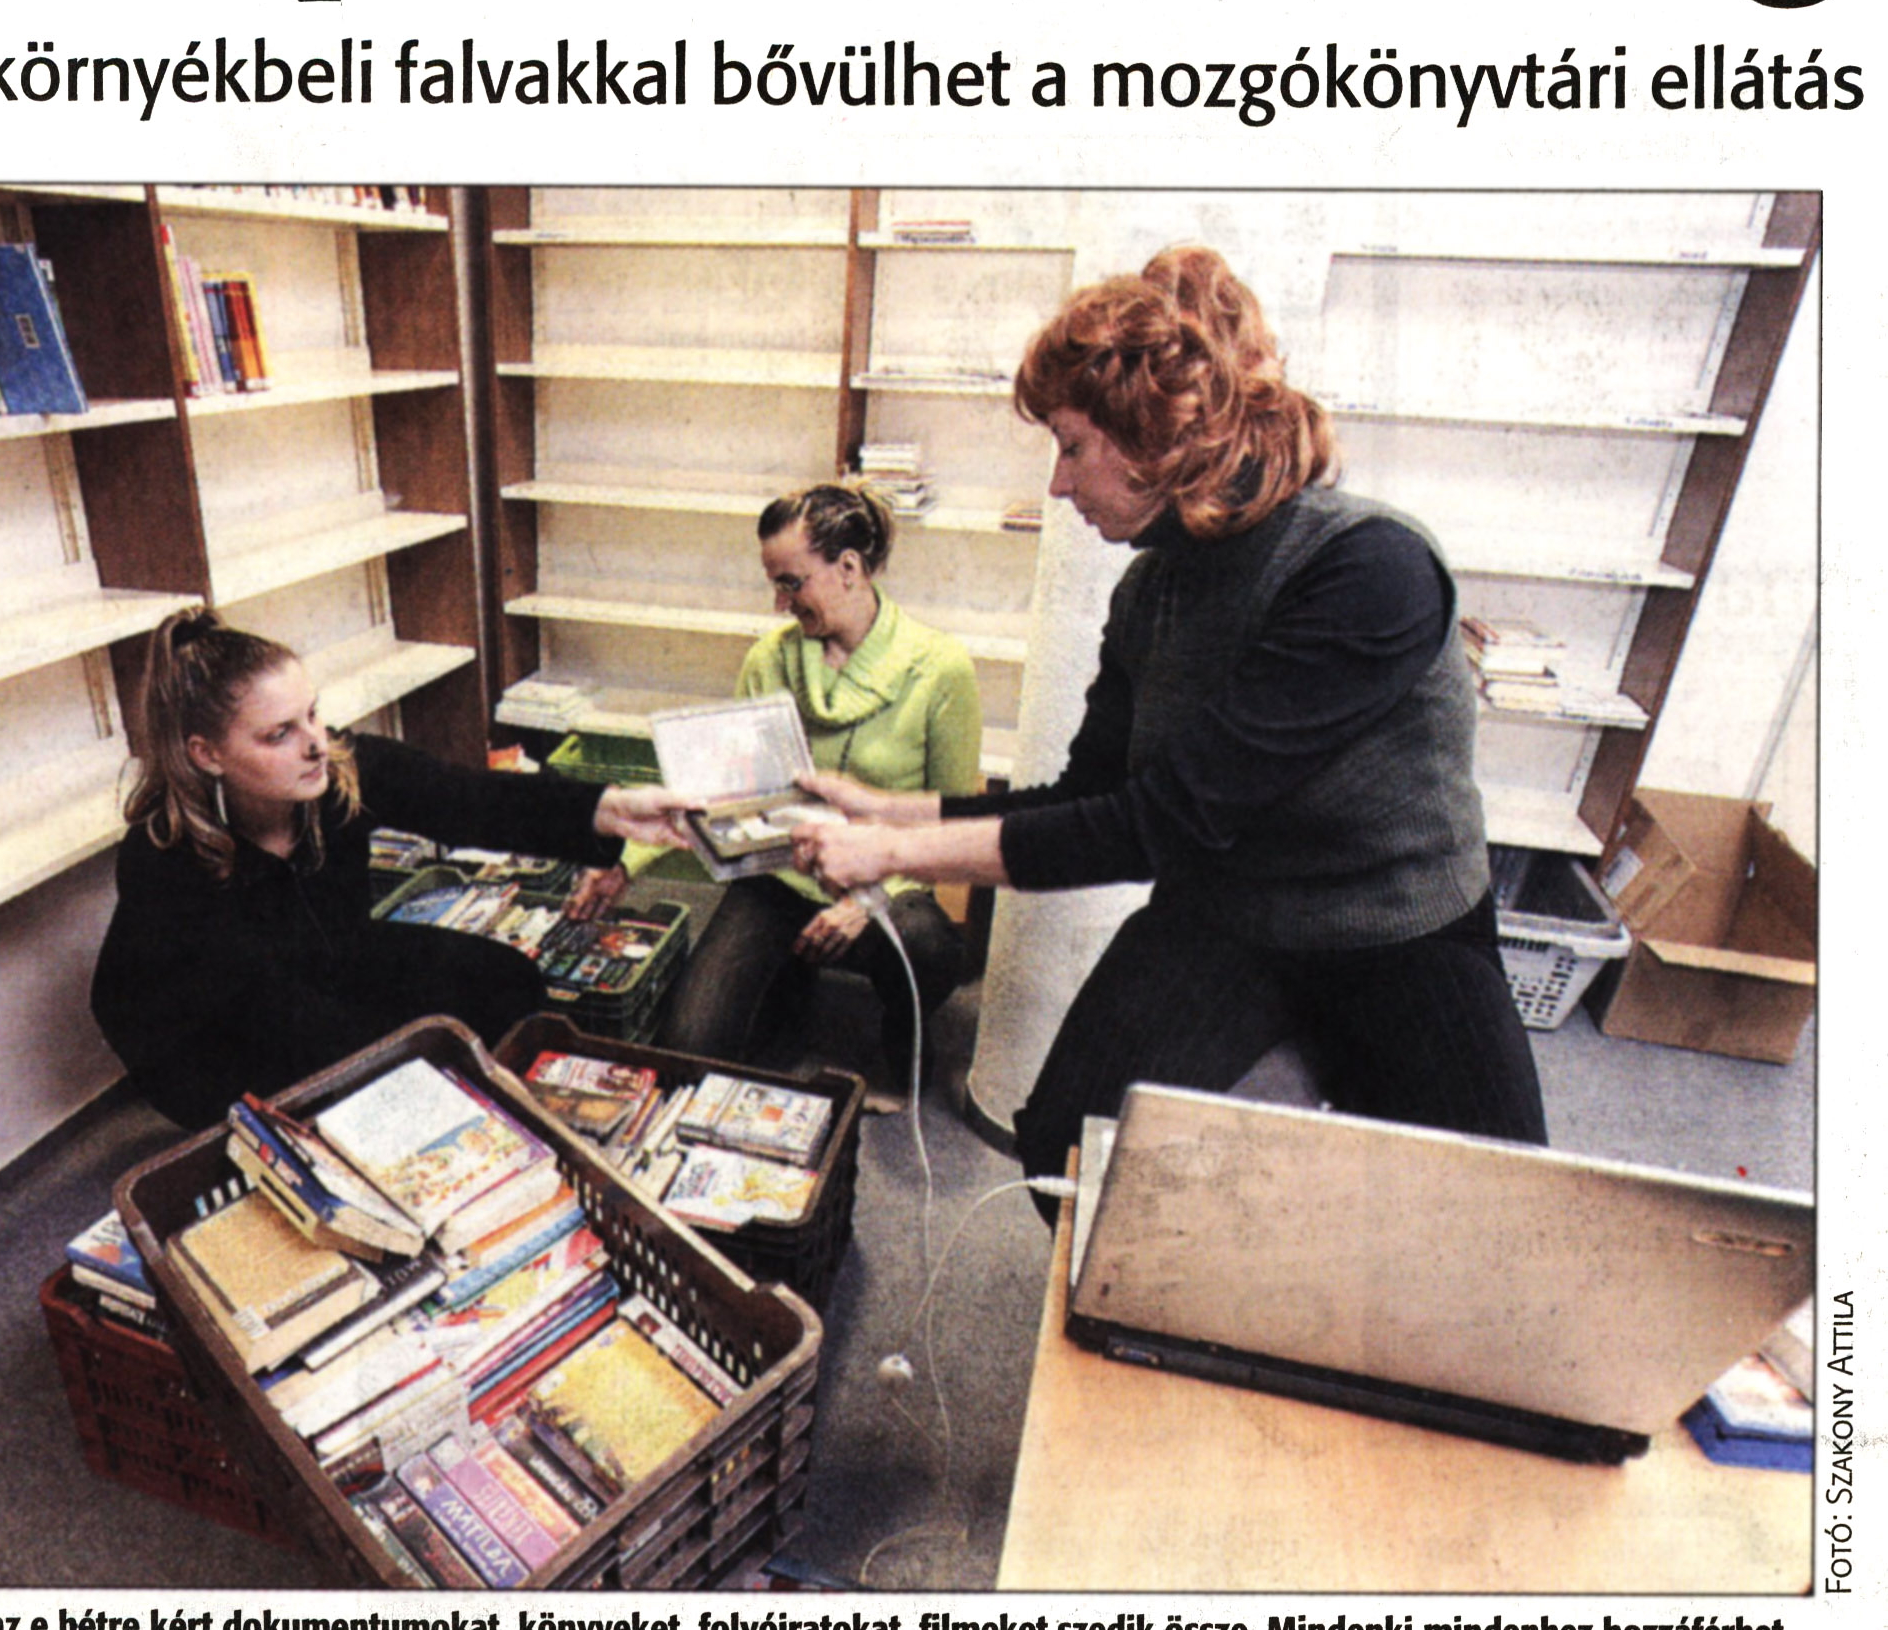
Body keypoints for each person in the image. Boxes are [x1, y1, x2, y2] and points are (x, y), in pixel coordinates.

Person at [788, 246, 1548, 1193]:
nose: (1058, 485)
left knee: (1493, 1203)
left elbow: (1160, 824)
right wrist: (889, 810)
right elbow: (1088, 795)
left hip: (1393, 921)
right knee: (1063, 1152)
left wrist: (893, 853)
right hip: (1229, 910)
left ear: (1153, 440)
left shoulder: (1368, 568)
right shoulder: (1150, 593)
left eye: (1070, 447)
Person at [91, 609, 685, 1128]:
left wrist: (612, 810)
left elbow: (470, 799)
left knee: (506, 982)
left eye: (312, 715)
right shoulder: (163, 857)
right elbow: (270, 1016)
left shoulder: (336, 770)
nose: (314, 744)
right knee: (383, 1082)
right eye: (279, 734)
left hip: (329, 964)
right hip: (220, 1039)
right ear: (207, 754)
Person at [651, 483, 982, 1094]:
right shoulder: (768, 659)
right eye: (775, 584)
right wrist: (624, 859)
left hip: (886, 882)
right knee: (688, 1049)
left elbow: (952, 825)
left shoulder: (940, 668)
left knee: (928, 945)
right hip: (779, 878)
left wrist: (868, 902)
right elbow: (724, 793)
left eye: (791, 583)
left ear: (849, 568)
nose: (779, 603)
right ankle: (791, 980)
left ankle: (902, 1032)